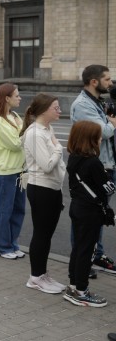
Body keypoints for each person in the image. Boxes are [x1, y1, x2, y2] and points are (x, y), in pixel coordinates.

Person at [70, 64, 116, 274]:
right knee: (86, 219)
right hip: (93, 167)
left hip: (106, 163)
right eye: (107, 79)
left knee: (99, 215)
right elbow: (103, 132)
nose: (111, 83)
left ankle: (96, 255)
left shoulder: (96, 102)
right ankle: (83, 261)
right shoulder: (82, 105)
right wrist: (112, 123)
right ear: (94, 82)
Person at [20, 93, 66, 294]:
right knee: (41, 233)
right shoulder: (35, 133)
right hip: (41, 188)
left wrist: (56, 149)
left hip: (53, 188)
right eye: (56, 107)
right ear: (44, 109)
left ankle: (42, 273)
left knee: (46, 234)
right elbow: (47, 165)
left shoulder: (47, 128)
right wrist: (58, 149)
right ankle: (35, 277)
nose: (59, 111)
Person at [65, 120, 112, 307]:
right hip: (90, 212)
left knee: (78, 248)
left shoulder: (74, 158)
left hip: (77, 207)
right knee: (87, 251)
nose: (101, 139)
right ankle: (82, 291)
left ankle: (73, 286)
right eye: (98, 136)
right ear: (90, 139)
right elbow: (108, 188)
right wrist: (108, 176)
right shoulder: (93, 163)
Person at [0, 83, 26, 259]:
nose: (20, 98)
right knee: (5, 210)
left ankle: (12, 243)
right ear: (7, 98)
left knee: (18, 209)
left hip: (21, 169)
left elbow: (22, 137)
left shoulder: (16, 115)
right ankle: (1, 246)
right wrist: (27, 134)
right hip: (6, 171)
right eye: (17, 95)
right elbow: (16, 143)